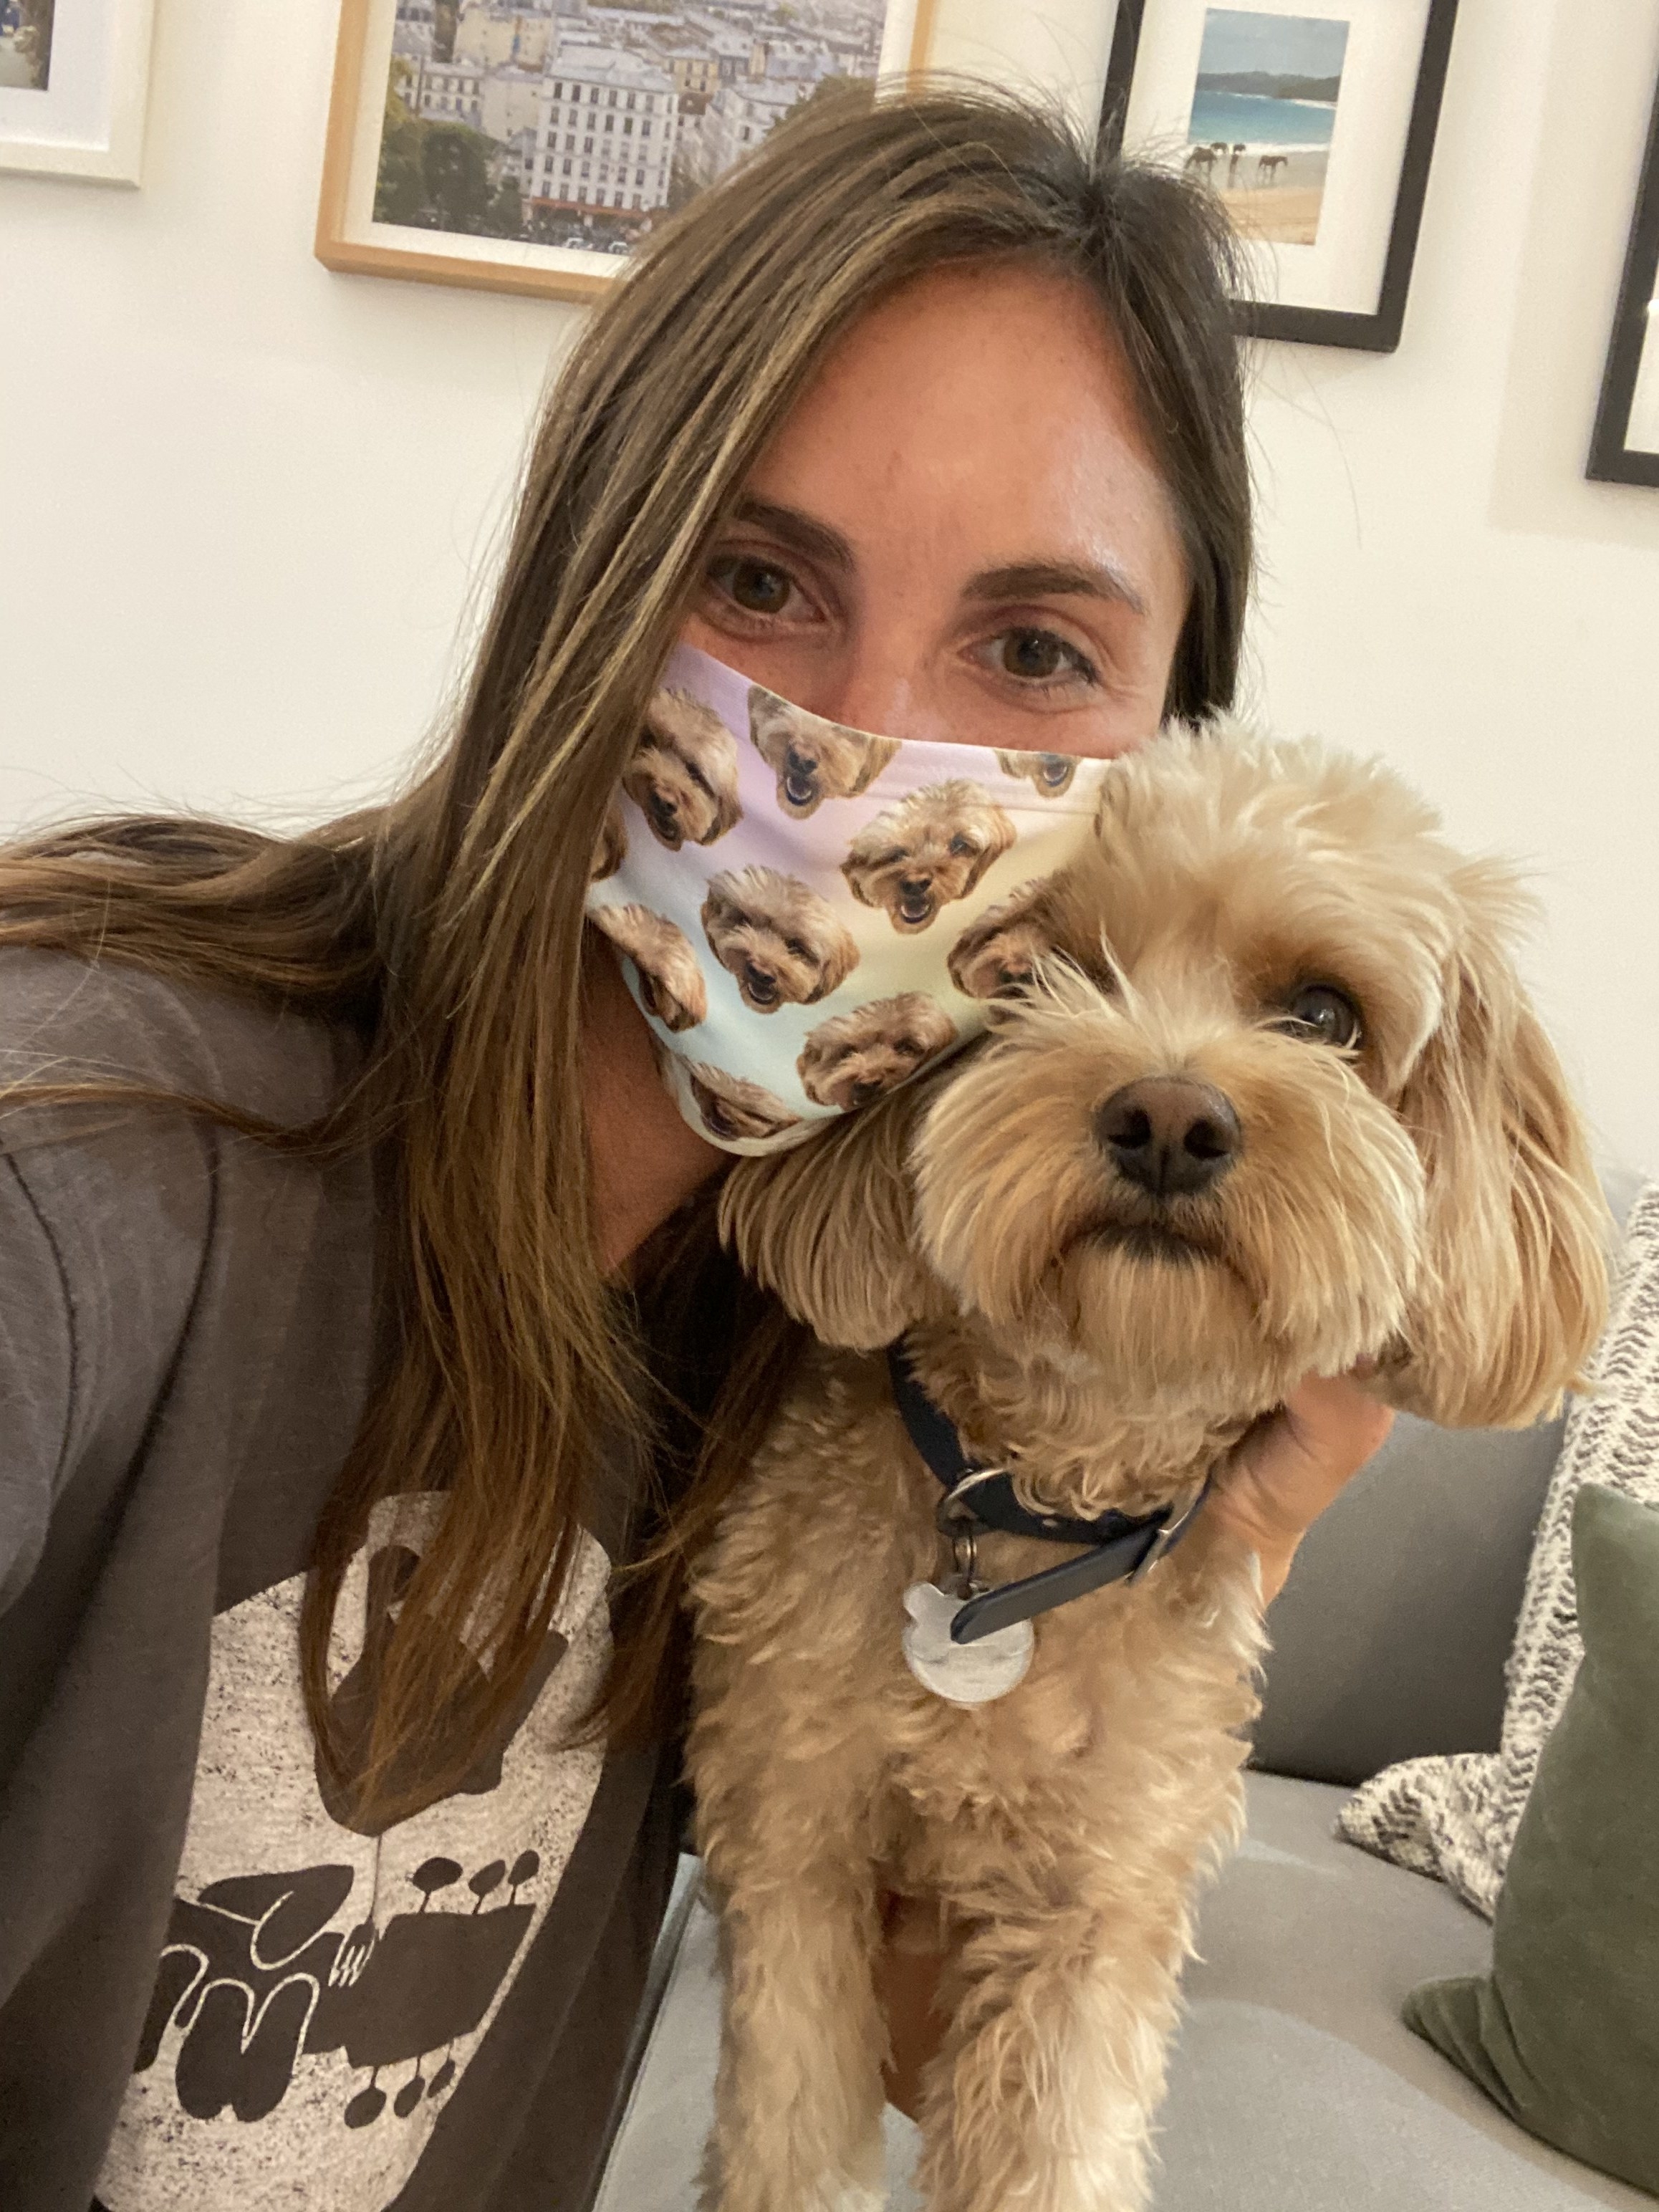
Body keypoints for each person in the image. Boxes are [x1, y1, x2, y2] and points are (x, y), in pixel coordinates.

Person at [0, 83, 1393, 2212]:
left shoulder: (826, 1348)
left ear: (1176, 748)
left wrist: (1203, 1546)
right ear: (585, 578)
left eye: (1033, 650)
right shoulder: (91, 1162)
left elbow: (932, 2047)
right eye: (756, 579)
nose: (857, 740)